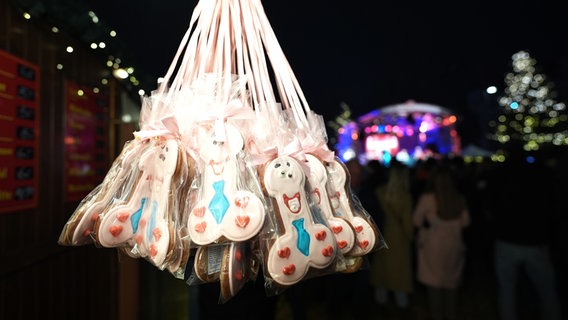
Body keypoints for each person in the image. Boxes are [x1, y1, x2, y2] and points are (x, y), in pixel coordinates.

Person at [485, 152, 562, 320]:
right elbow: (551, 205)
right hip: (535, 239)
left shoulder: (499, 175)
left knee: (507, 290)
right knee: (547, 291)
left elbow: (490, 205)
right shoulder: (541, 176)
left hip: (507, 239)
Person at [413, 164, 470, 320]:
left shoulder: (427, 199)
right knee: (451, 290)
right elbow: (465, 223)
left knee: (434, 292)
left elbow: (416, 220)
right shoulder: (459, 198)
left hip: (432, 247)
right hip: (454, 246)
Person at [370, 163, 414, 311]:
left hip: (383, 234)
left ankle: (380, 300)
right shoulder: (405, 196)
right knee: (400, 271)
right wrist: (411, 237)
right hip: (399, 237)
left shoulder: (379, 192)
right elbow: (408, 223)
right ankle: (401, 303)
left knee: (382, 269)